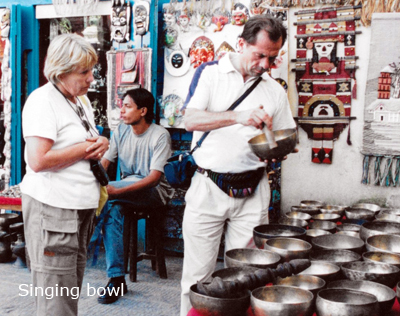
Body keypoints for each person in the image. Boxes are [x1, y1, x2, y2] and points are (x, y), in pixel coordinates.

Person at [180, 15, 296, 315]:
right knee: (198, 276)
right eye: (260, 56)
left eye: (272, 58)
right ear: (241, 44)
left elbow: (285, 143)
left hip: (253, 188)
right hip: (208, 185)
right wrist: (238, 116)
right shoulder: (210, 73)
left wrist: (275, 147)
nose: (265, 65)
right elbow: (190, 120)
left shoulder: (274, 90)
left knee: (247, 275)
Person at [20, 33, 109, 316]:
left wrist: (101, 142)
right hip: (54, 212)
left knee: (67, 292)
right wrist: (85, 149)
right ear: (61, 71)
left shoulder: (77, 100)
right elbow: (38, 160)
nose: (91, 78)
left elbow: (85, 142)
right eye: (84, 71)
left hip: (78, 209)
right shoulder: (42, 101)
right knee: (55, 302)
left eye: (92, 70)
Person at [98, 88, 173, 304]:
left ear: (143, 111)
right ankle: (116, 279)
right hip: (126, 191)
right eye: (121, 105)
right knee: (111, 210)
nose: (121, 111)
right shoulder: (120, 130)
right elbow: (105, 162)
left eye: (127, 106)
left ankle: (85, 244)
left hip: (154, 192)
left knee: (108, 199)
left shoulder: (160, 135)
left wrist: (114, 191)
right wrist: (98, 182)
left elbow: (153, 178)